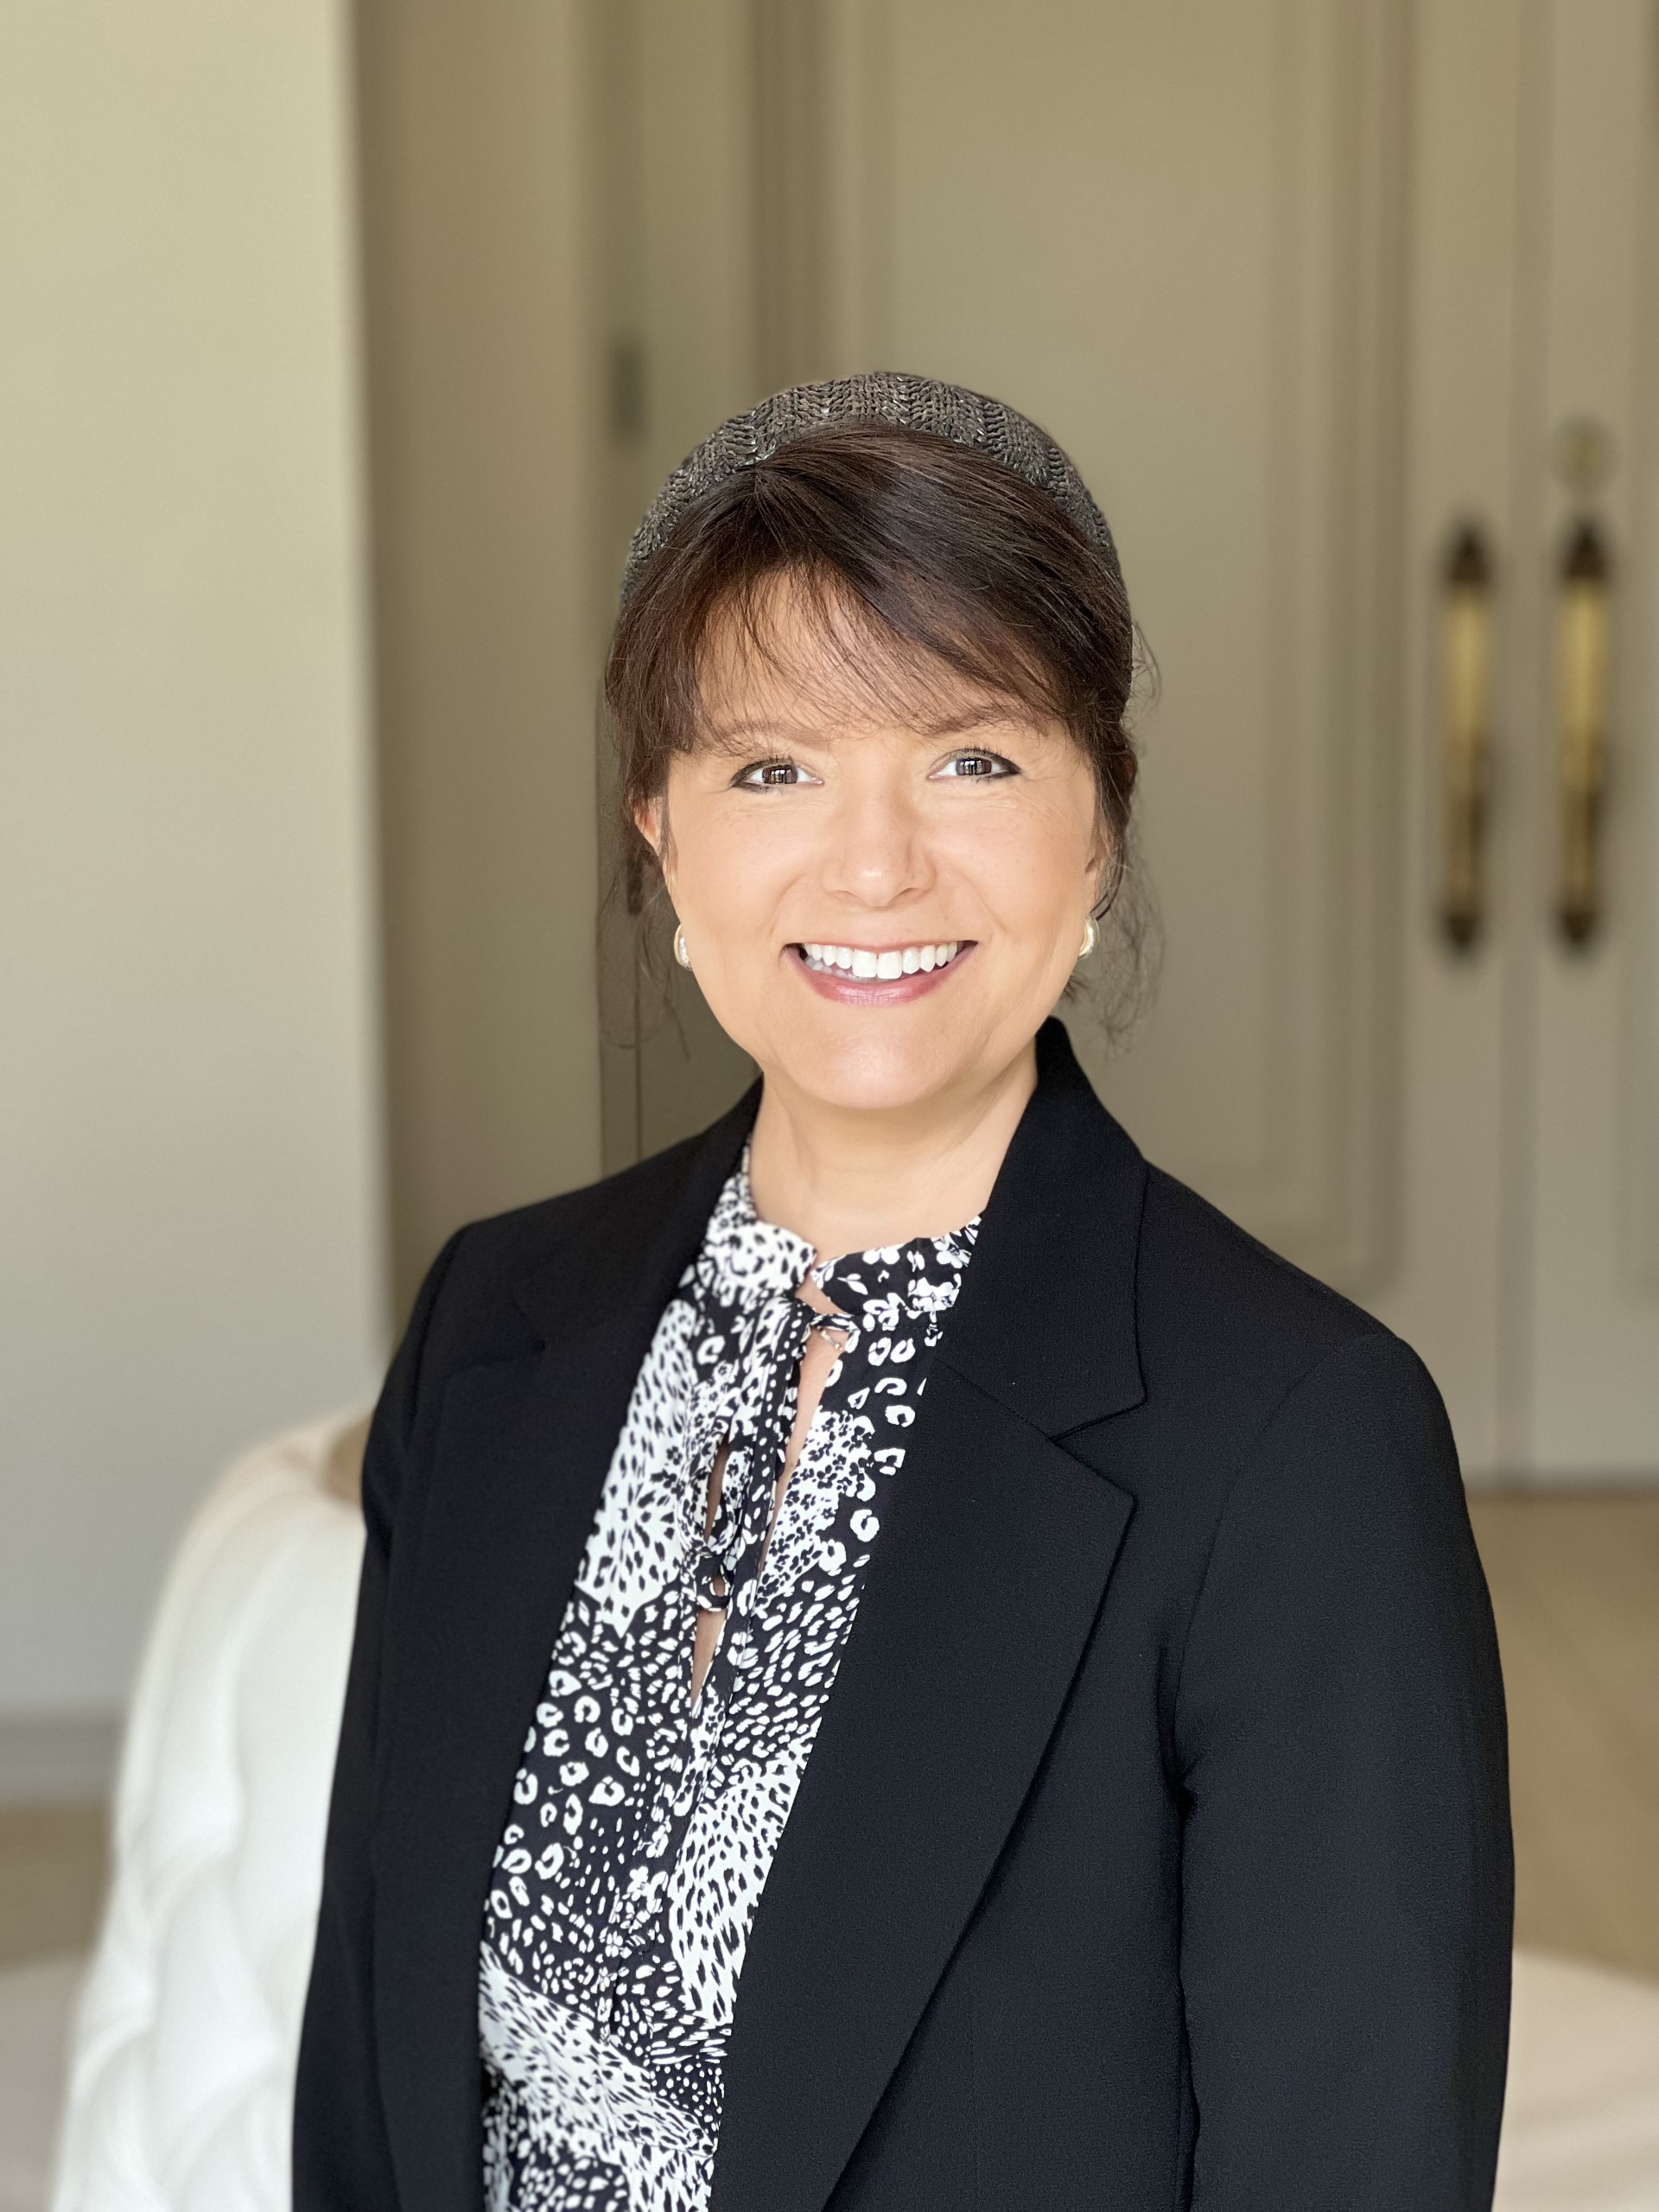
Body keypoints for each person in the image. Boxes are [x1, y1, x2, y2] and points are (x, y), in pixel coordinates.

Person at [294, 375, 1512, 2212]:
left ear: (1099, 828)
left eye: (973, 758)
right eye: (771, 767)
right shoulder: (496, 1325)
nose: (874, 865)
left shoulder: (1300, 1442)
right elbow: (365, 2096)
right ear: (661, 830)